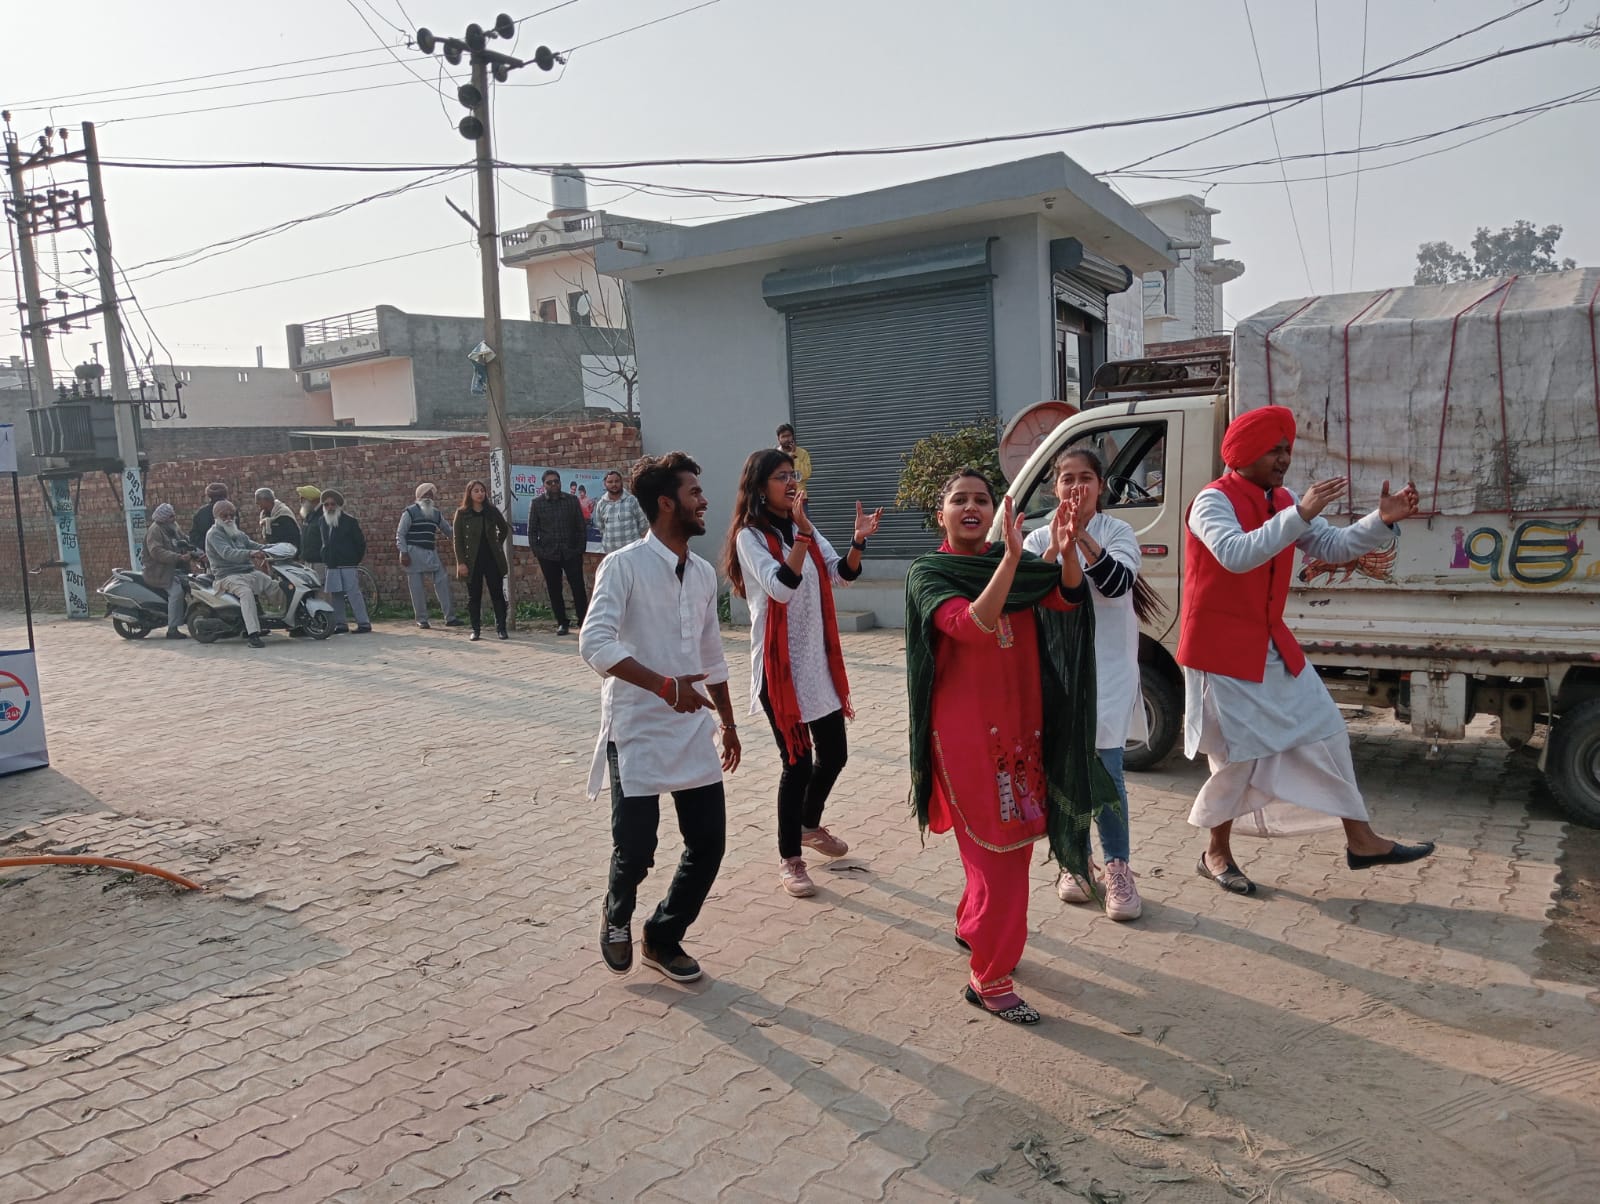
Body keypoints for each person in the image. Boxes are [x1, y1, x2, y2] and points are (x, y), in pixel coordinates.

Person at [1181, 405, 1435, 895]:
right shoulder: (1212, 502)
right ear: (1246, 452)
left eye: (1287, 450)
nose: (1284, 459)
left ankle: (1360, 840)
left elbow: (1333, 547)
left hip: (1270, 643)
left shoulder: (1284, 498)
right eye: (1276, 450)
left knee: (1329, 729)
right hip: (1221, 650)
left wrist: (1380, 520)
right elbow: (1235, 555)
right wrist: (1298, 514)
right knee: (1239, 757)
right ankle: (1216, 852)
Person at [904, 469, 1114, 1024]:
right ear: (941, 513)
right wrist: (1011, 563)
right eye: (959, 499)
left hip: (1023, 731)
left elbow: (1068, 599)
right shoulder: (930, 572)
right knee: (999, 854)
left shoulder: (1013, 563)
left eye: (981, 498)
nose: (971, 506)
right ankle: (989, 978)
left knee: (1009, 846)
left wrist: (1066, 552)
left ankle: (974, 927)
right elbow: (973, 624)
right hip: (968, 740)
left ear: (995, 510)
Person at [581, 451, 741, 984]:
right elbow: (594, 643)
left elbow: (711, 654)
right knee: (637, 849)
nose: (705, 501)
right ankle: (617, 912)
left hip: (692, 725)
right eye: (694, 492)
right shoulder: (622, 565)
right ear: (666, 503)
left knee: (709, 843)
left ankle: (663, 935)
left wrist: (730, 723)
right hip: (637, 728)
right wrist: (663, 686)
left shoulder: (698, 573)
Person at [723, 448, 882, 898]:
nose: (790, 482)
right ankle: (790, 859)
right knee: (795, 762)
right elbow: (780, 588)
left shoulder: (801, 527)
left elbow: (842, 574)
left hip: (816, 662)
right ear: (759, 487)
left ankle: (810, 825)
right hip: (779, 669)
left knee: (833, 755)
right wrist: (802, 538)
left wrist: (857, 540)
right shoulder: (749, 537)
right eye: (780, 476)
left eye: (793, 474)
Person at [1024, 448, 1161, 921]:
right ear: (1054, 487)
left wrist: (1080, 536)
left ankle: (1118, 868)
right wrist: (1055, 545)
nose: (1076, 487)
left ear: (1101, 486)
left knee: (1105, 768)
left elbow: (1117, 584)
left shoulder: (1117, 532)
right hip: (1057, 672)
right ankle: (1075, 862)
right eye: (1067, 479)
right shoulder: (1037, 534)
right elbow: (1027, 591)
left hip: (1109, 671)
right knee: (1065, 768)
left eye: (1085, 478)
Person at [204, 500, 275, 650]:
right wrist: (251, 554)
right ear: (216, 517)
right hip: (227, 576)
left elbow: (254, 545)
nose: (229, 518)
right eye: (225, 516)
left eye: (231, 515)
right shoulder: (214, 534)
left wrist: (275, 548)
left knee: (273, 585)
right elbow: (228, 554)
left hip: (247, 572)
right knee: (246, 593)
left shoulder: (236, 532)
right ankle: (253, 634)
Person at [527, 468, 589, 636]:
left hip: (571, 552)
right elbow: (532, 532)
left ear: (560, 482)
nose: (553, 484)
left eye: (556, 481)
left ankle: (584, 622)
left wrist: (579, 548)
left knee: (578, 588)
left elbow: (580, 528)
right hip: (549, 555)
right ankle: (562, 622)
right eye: (549, 482)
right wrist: (539, 552)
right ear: (544, 485)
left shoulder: (571, 500)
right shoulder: (537, 503)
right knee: (554, 589)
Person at [398, 483, 461, 630]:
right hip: (413, 552)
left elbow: (447, 530)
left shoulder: (435, 513)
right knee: (417, 587)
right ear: (418, 497)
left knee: (442, 580)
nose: (428, 497)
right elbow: (400, 533)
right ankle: (422, 619)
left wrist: (460, 538)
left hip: (430, 551)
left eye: (430, 495)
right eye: (425, 495)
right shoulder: (410, 512)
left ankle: (450, 618)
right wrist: (403, 552)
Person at [306, 489, 370, 634]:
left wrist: (354, 559)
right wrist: (325, 556)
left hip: (348, 563)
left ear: (338, 506)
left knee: (354, 594)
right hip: (331, 564)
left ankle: (364, 623)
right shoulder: (322, 521)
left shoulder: (349, 521)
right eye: (326, 504)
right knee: (336, 595)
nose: (329, 507)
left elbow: (360, 543)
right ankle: (341, 624)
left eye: (332, 504)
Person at [453, 479, 510, 641]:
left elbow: (504, 529)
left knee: (497, 594)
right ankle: (475, 629)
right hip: (472, 560)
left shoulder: (491, 511)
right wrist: (461, 562)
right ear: (469, 493)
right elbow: (457, 540)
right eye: (476, 491)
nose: (480, 493)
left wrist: (497, 544)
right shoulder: (462, 513)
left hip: (492, 558)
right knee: (474, 596)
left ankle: (501, 628)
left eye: (482, 490)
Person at [144, 502, 196, 640]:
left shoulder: (174, 526)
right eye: (171, 516)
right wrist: (178, 557)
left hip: (177, 569)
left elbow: (184, 539)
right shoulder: (154, 530)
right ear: (163, 518)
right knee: (176, 592)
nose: (174, 518)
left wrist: (197, 550)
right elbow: (157, 552)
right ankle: (172, 629)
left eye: (174, 515)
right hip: (160, 571)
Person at [593, 469, 648, 555]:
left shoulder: (632, 500)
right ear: (605, 484)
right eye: (610, 482)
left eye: (616, 481)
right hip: (612, 554)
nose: (614, 484)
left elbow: (643, 525)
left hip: (632, 552)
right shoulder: (601, 504)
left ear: (621, 482)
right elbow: (601, 527)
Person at [189, 482, 229, 551]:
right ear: (225, 495)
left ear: (209, 496)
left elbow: (194, 537)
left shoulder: (201, 513)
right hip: (229, 551)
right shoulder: (231, 510)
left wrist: (207, 547)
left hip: (209, 554)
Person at [776, 424, 812, 493]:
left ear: (793, 436)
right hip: (780, 497)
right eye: (783, 436)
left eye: (789, 436)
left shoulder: (803, 453)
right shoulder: (774, 455)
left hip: (799, 496)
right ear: (778, 439)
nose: (786, 439)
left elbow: (806, 475)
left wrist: (794, 458)